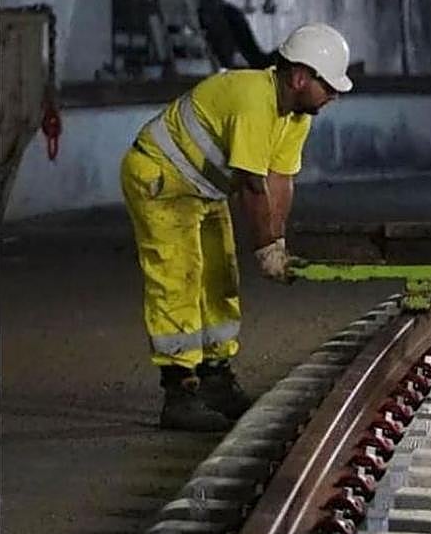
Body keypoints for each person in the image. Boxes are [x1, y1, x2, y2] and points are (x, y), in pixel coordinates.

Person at [120, 23, 353, 431]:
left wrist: (277, 244)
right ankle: (179, 392)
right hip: (161, 179)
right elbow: (251, 185)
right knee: (179, 276)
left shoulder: (296, 116)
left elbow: (280, 179)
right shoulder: (253, 99)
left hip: (203, 189)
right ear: (300, 77)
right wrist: (265, 249)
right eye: (329, 86)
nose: (334, 95)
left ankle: (215, 379)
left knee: (220, 276)